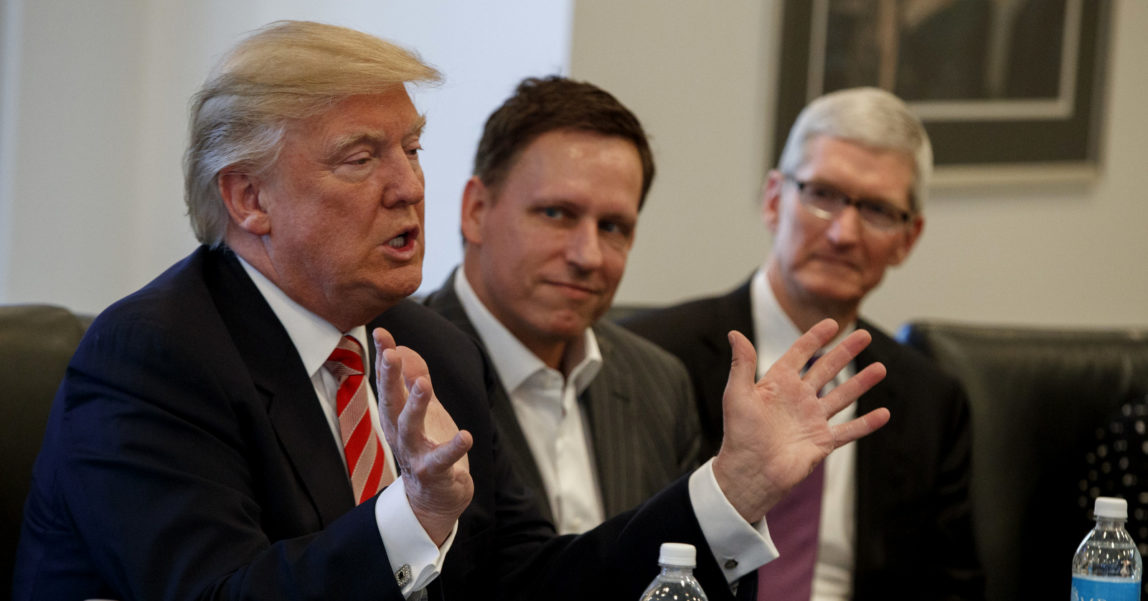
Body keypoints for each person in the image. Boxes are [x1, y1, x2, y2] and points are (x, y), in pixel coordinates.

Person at [13, 22, 890, 601]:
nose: (408, 186)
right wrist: (418, 512)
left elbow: (533, 583)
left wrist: (729, 488)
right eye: (361, 158)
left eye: (413, 148)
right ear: (248, 197)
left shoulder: (428, 345)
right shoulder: (153, 353)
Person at [623, 87, 984, 600]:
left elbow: (954, 589)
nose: (843, 233)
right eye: (823, 195)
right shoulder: (656, 357)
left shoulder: (931, 401)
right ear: (774, 199)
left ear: (908, 238)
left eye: (878, 210)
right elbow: (618, 558)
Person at [420, 76, 700, 535]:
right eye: (556, 214)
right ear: (476, 210)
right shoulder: (396, 368)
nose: (587, 256)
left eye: (612, 227)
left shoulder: (660, 383)